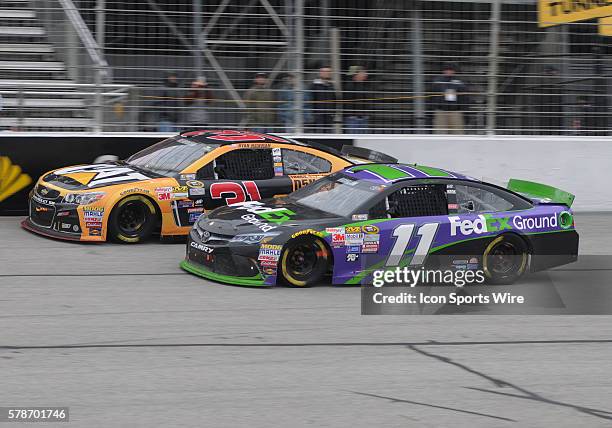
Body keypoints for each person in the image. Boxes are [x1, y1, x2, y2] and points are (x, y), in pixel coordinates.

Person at [432, 64, 467, 134]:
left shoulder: (460, 81)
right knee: (440, 133)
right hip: (441, 111)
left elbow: (464, 95)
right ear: (443, 71)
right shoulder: (437, 80)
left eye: (451, 70)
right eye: (447, 70)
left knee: (457, 133)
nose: (448, 71)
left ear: (454, 71)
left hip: (456, 111)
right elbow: (433, 94)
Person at [308, 66, 337, 132]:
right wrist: (313, 113)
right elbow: (310, 99)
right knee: (318, 132)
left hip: (329, 114)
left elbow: (335, 99)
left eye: (328, 72)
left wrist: (333, 113)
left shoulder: (331, 85)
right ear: (320, 73)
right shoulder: (314, 85)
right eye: (324, 71)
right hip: (318, 114)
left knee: (328, 133)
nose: (327, 73)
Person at [343, 65, 370, 133]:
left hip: (363, 117)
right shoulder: (349, 86)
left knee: (363, 139)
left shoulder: (365, 85)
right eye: (363, 73)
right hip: (353, 118)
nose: (366, 74)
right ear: (357, 74)